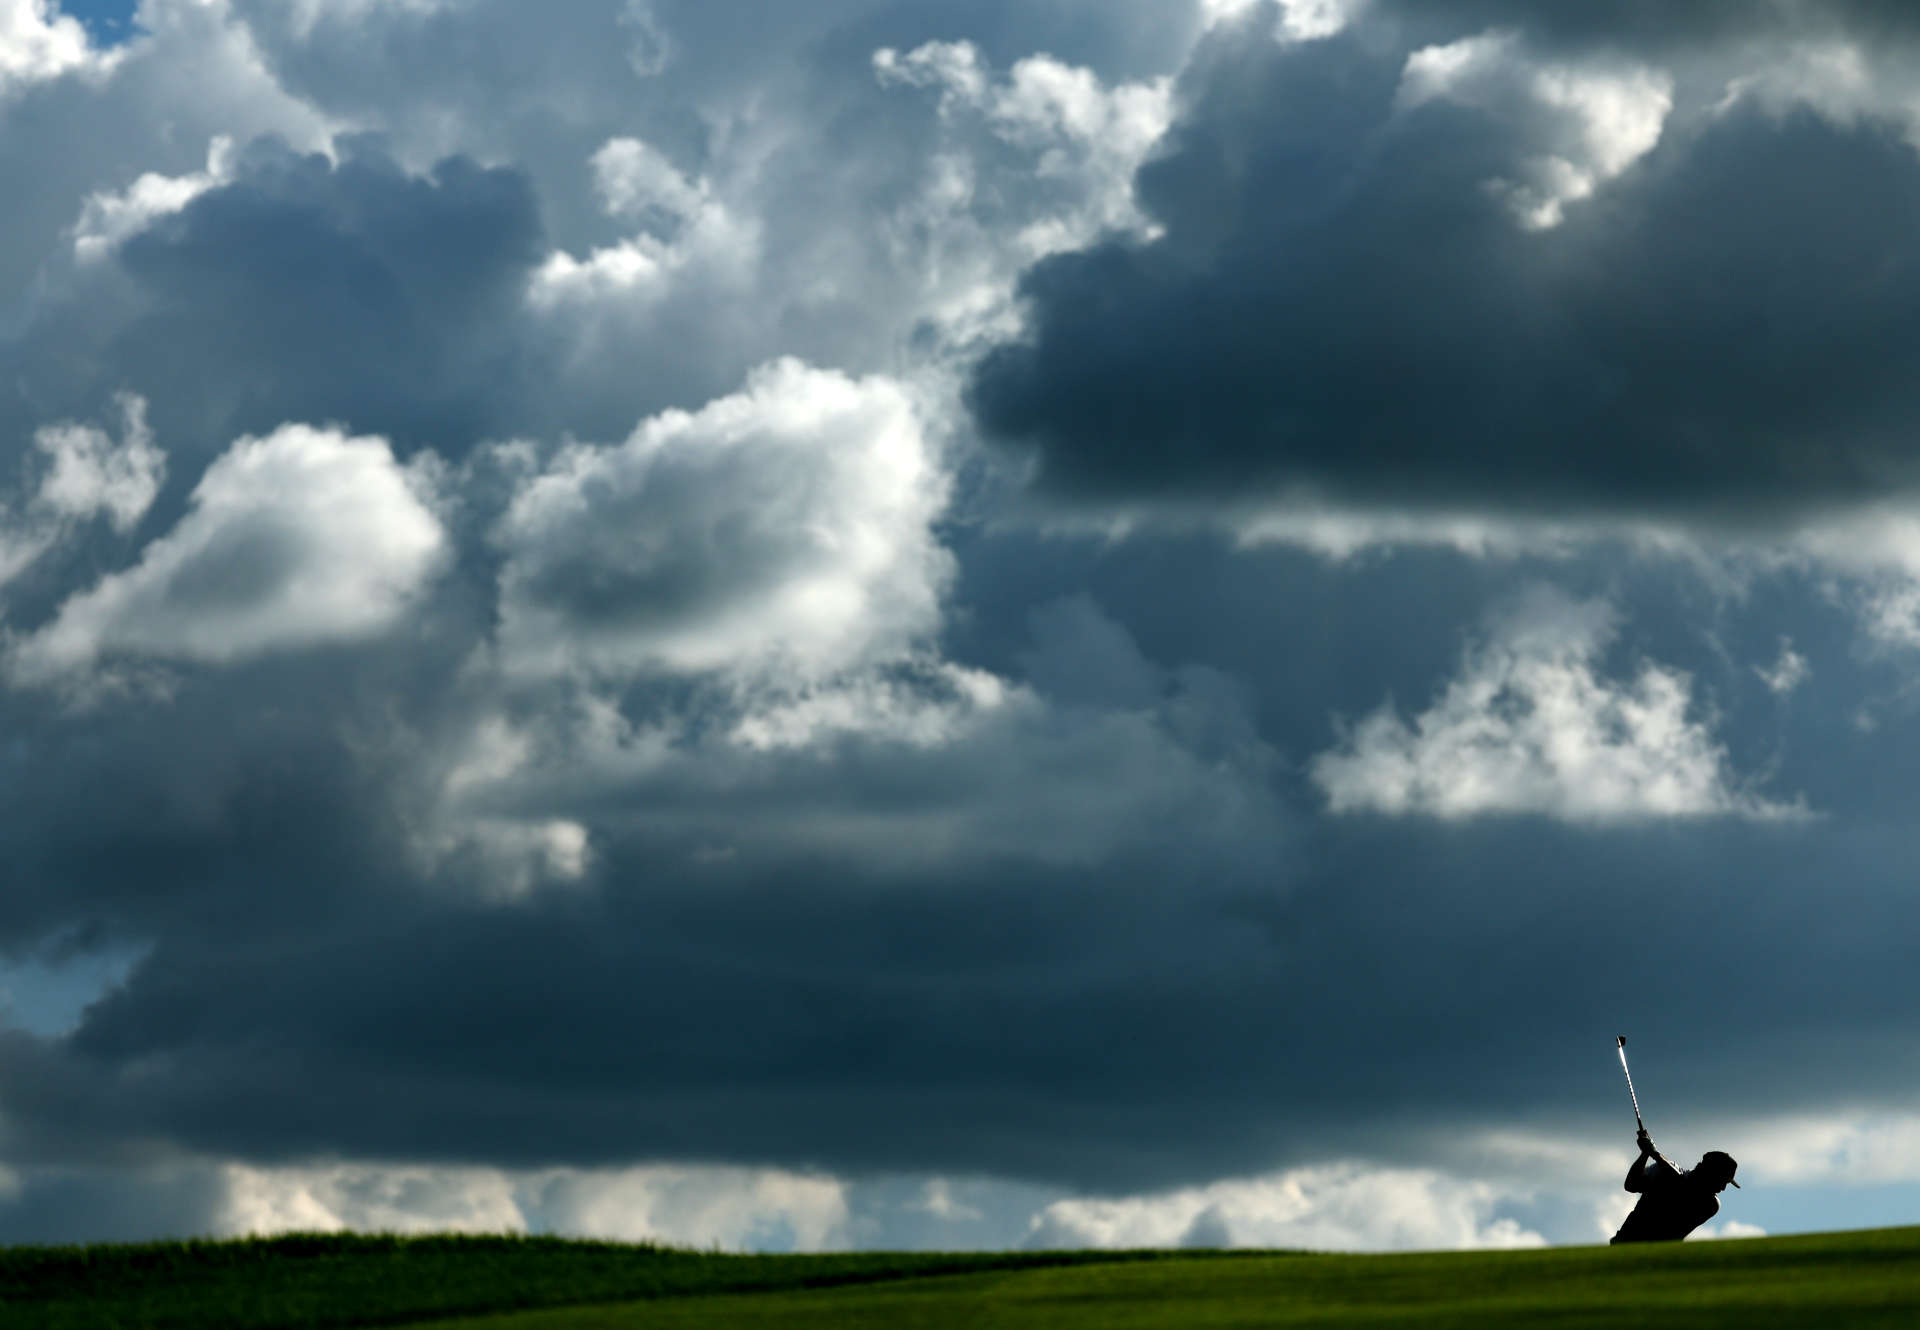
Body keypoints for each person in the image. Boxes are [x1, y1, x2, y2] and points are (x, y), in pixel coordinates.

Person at [1610, 1128, 1740, 1243]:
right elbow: (1632, 1185)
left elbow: (1682, 1187)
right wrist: (1645, 1153)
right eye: (1721, 1181)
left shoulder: (1711, 1204)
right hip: (1624, 1243)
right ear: (1706, 1172)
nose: (1722, 1188)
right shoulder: (1663, 1170)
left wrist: (1654, 1153)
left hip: (1658, 1259)